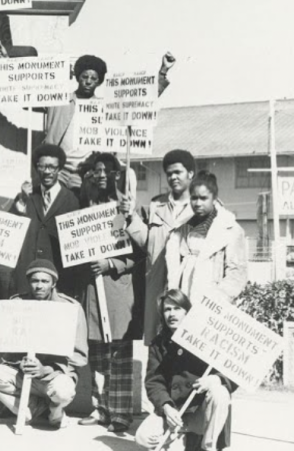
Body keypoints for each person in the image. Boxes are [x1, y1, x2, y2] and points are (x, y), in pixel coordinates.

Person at [41, 51, 176, 193]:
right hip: (58, 169)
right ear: (77, 77)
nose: (88, 81)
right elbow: (28, 95)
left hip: (85, 171)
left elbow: (142, 100)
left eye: (93, 78)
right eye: (84, 77)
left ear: (99, 82)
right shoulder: (59, 101)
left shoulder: (104, 107)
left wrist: (163, 71)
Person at [78, 153, 145, 433]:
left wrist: (110, 263)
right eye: (97, 170)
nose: (101, 174)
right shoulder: (86, 206)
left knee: (119, 352)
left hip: (117, 289)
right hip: (93, 288)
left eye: (107, 170)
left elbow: (139, 255)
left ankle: (120, 413)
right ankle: (100, 407)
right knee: (97, 352)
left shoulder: (124, 211)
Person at [0, 259, 88, 429]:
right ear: (28, 282)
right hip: (23, 373)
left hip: (53, 376)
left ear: (53, 283)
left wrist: (46, 369)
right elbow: (7, 347)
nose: (39, 286)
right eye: (35, 281)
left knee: (63, 391)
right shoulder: (17, 303)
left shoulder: (70, 308)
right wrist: (20, 362)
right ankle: (32, 407)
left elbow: (79, 356)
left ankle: (55, 413)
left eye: (45, 281)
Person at [135, 289, 235, 451]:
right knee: (143, 438)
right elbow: (154, 382)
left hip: (201, 413)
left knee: (220, 393)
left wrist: (214, 379)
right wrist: (166, 407)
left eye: (177, 309)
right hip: (175, 412)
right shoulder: (159, 344)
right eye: (167, 309)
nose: (172, 314)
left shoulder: (207, 336)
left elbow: (234, 371)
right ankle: (181, 440)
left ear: (187, 312)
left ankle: (207, 446)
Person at [121, 150, 195, 345]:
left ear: (191, 174)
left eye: (178, 172)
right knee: (157, 346)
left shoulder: (203, 207)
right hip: (159, 290)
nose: (173, 177)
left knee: (188, 346)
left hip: (189, 289)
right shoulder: (156, 205)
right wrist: (131, 218)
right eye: (169, 173)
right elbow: (148, 244)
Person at [164, 171, 247, 304]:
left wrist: (216, 300)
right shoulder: (181, 229)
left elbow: (236, 274)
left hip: (211, 304)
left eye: (203, 198)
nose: (197, 203)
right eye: (194, 198)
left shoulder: (230, 230)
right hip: (183, 300)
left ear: (214, 198)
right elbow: (173, 267)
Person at [10, 144, 81, 297]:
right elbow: (11, 229)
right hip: (28, 274)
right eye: (42, 167)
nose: (47, 172)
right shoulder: (26, 196)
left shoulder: (72, 200)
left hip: (57, 275)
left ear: (59, 169)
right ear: (36, 168)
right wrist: (22, 200)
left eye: (52, 167)